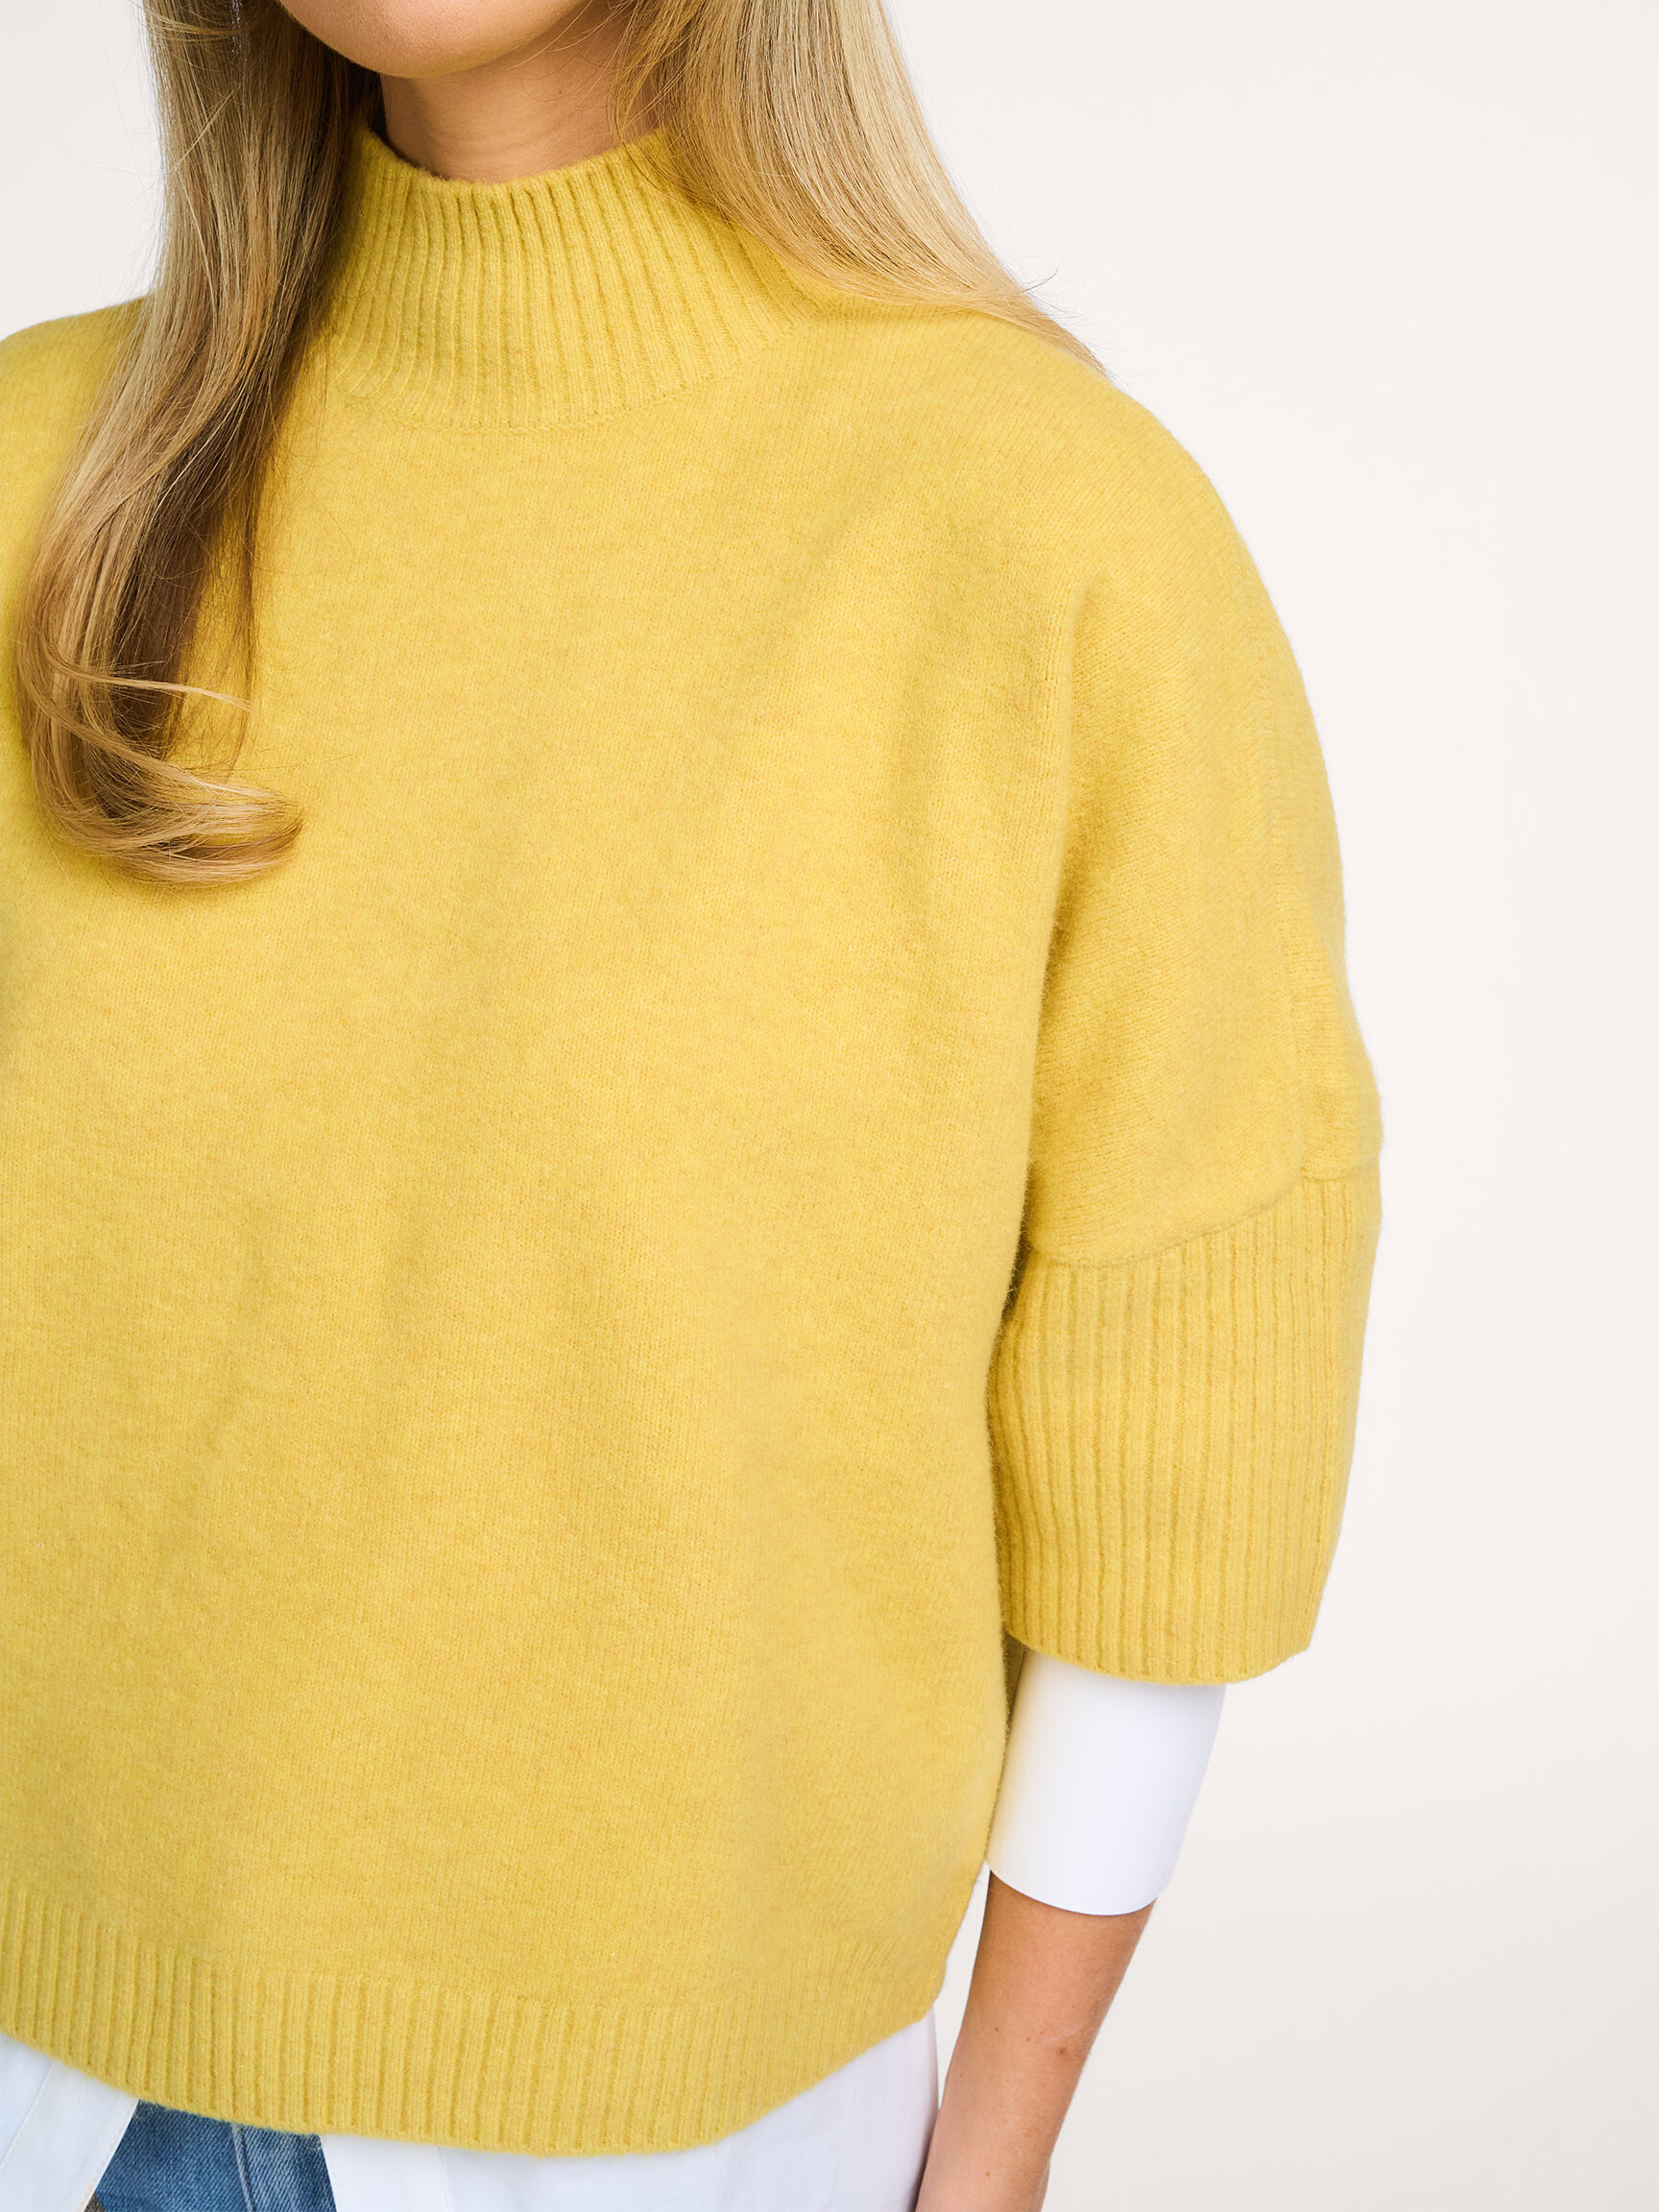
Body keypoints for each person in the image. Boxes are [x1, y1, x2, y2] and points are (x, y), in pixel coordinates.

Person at [0, 0, 1382, 2206]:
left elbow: (1175, 1427)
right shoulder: (41, 475)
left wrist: (996, 2151)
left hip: (684, 2139)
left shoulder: (1032, 525)